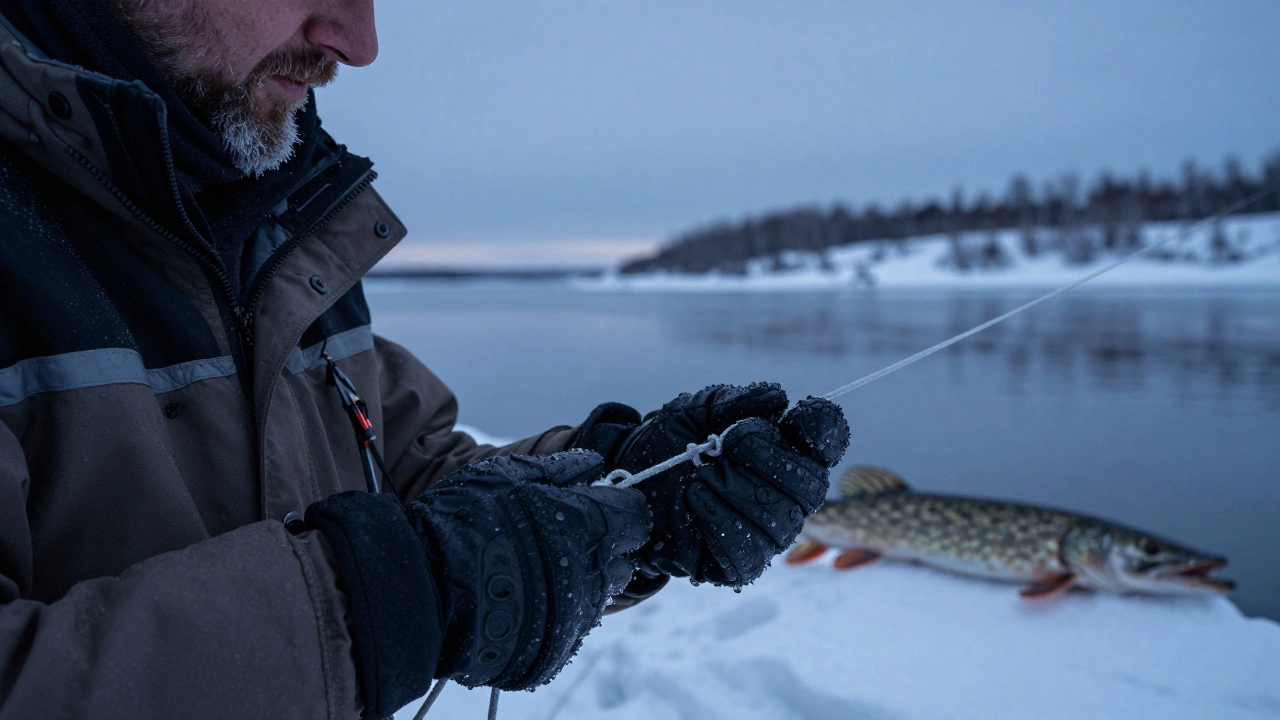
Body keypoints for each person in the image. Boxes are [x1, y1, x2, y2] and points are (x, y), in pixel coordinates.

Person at [0, 1, 849, 718]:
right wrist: (383, 603)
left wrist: (632, 494)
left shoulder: (281, 230)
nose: (359, 42)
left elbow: (413, 474)